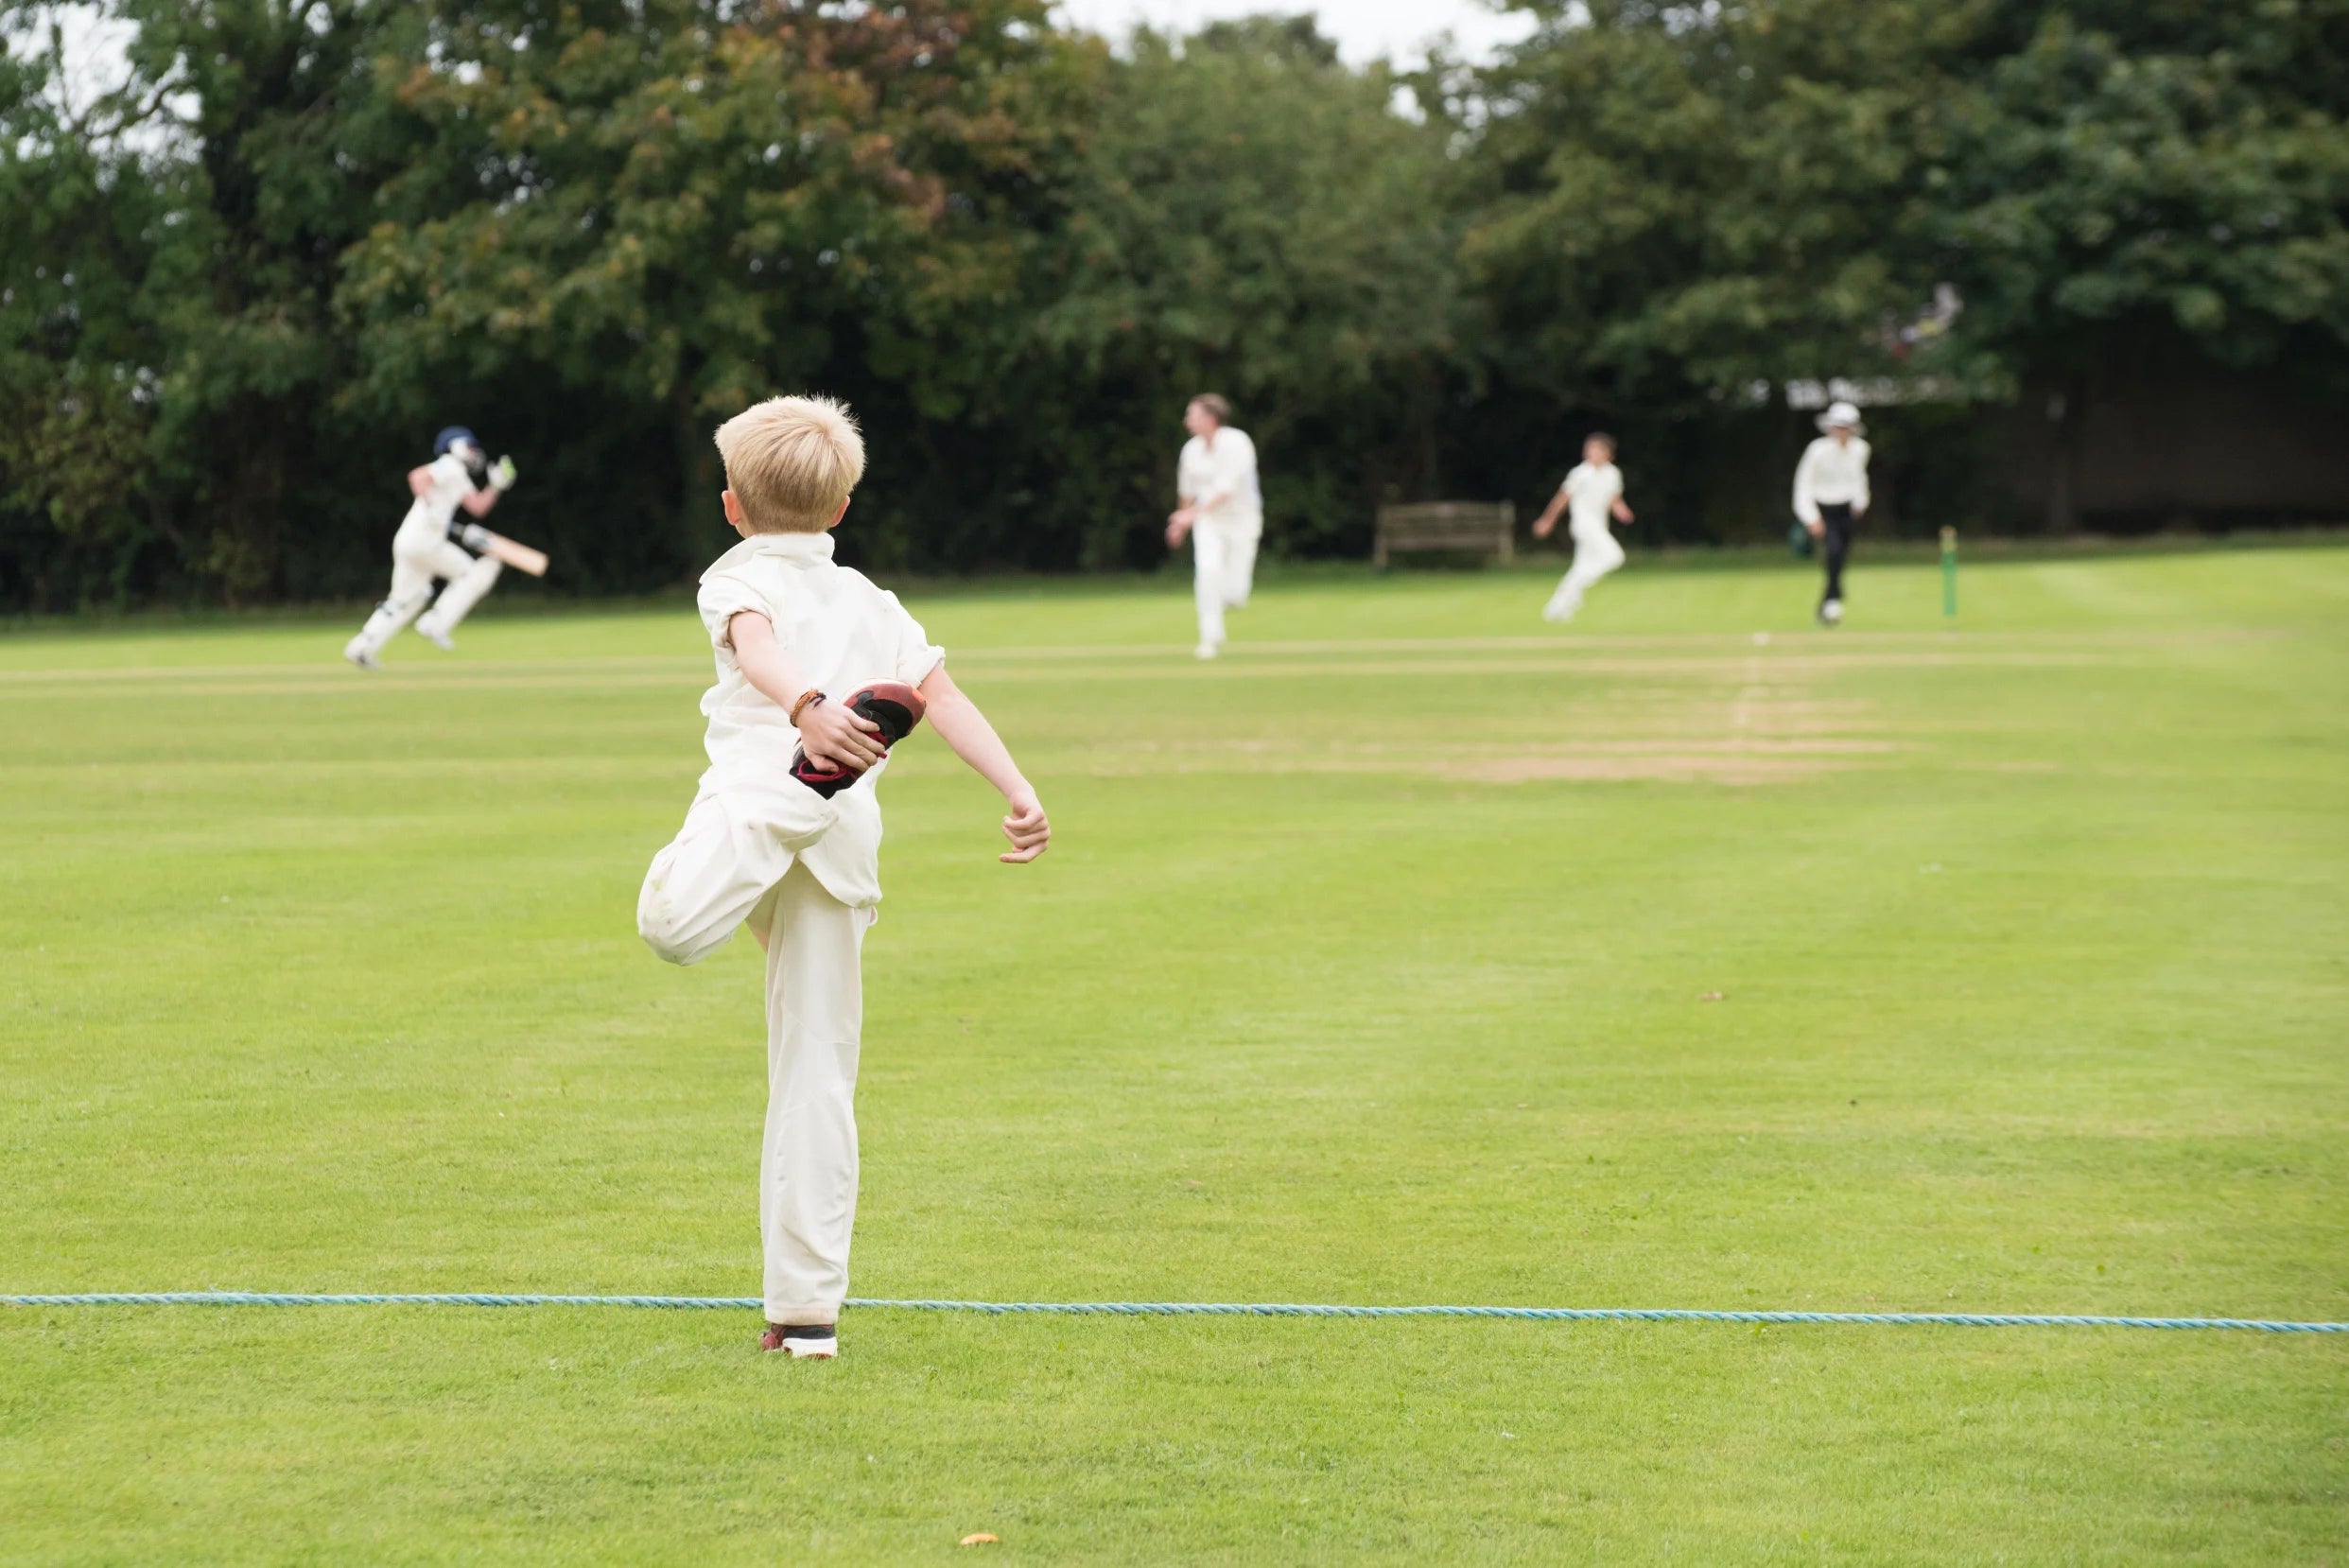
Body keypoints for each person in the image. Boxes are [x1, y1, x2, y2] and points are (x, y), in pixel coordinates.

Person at [635, 394, 1051, 1360]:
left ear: (733, 506)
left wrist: (809, 710)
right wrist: (1018, 787)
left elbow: (759, 647)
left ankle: (796, 794)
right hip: (842, 827)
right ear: (842, 512)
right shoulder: (875, 602)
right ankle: (807, 1317)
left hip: (762, 796)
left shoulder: (733, 572)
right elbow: (940, 698)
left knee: (669, 923)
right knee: (816, 1071)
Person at [342, 427, 518, 668]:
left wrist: (496, 487)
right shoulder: (449, 465)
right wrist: (431, 503)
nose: (475, 452)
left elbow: (477, 507)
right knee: (472, 573)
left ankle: (360, 648)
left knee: (405, 600)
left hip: (409, 542)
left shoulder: (459, 476)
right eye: (470, 447)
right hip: (425, 542)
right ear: (455, 446)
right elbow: (417, 477)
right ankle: (436, 623)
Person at [1165, 393, 1262, 660]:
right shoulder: (1191, 450)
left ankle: (1222, 602)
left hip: (1243, 519)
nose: (1187, 421)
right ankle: (1210, 638)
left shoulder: (1237, 443)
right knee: (1207, 574)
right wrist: (1181, 522)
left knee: (1236, 594)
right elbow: (1186, 491)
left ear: (1210, 418)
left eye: (1191, 415)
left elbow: (1225, 490)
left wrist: (1189, 516)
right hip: (1208, 522)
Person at [1530, 432, 1635, 623]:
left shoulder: (1612, 473)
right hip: (1583, 525)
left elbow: (1614, 499)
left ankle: (1557, 608)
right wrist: (1547, 521)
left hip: (1599, 524)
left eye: (1596, 449)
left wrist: (1622, 511)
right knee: (1614, 557)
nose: (1591, 453)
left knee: (1579, 567)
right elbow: (1562, 498)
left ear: (1608, 453)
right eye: (1589, 449)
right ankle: (1575, 589)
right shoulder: (1580, 473)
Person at [1792, 400, 1871, 626]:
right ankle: (1832, 601)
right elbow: (1803, 484)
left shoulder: (1861, 449)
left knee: (1840, 558)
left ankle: (1829, 602)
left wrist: (1860, 502)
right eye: (1838, 427)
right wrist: (1811, 517)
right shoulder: (1817, 450)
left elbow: (1858, 479)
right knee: (1834, 552)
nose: (1842, 432)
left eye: (1846, 427)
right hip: (1823, 508)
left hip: (1846, 510)